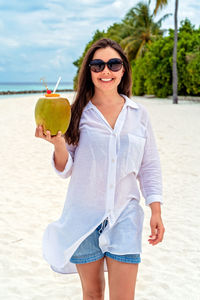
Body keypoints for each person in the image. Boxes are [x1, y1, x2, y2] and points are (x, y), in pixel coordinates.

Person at [35, 38, 165, 300]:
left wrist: (156, 210)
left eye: (113, 64)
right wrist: (59, 144)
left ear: (123, 70)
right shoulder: (75, 113)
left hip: (125, 216)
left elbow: (149, 165)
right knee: (93, 295)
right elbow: (65, 168)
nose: (106, 71)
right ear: (89, 71)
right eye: (98, 65)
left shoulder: (139, 114)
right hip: (83, 217)